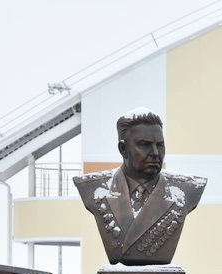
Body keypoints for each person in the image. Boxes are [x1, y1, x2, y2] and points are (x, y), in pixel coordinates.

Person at [73, 108, 206, 265]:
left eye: (160, 145)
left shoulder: (189, 189)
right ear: (123, 149)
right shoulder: (92, 188)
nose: (155, 153)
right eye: (145, 145)